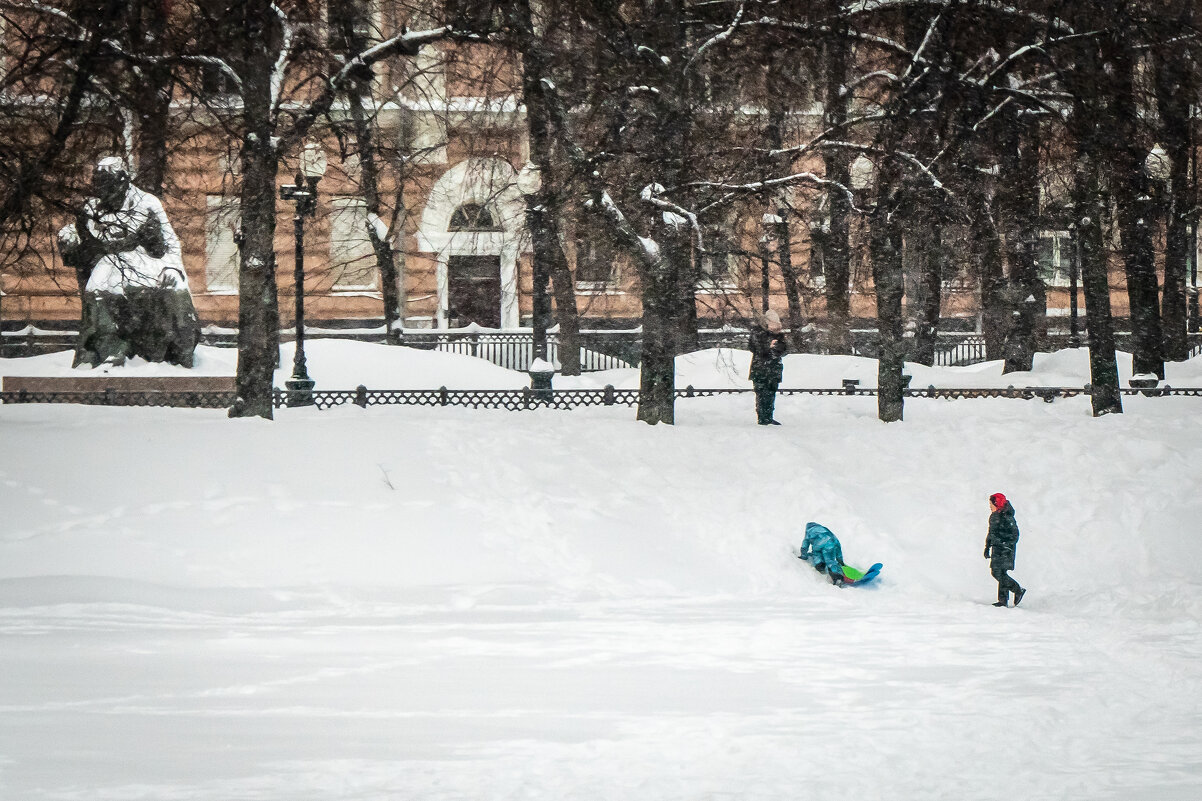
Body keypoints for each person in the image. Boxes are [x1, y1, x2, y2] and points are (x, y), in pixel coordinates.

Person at [58, 157, 199, 367]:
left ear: (123, 181)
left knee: (174, 294)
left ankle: (171, 355)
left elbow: (170, 243)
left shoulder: (147, 203)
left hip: (150, 264)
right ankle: (110, 352)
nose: (104, 190)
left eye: (109, 184)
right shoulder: (90, 209)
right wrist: (69, 239)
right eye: (100, 184)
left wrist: (171, 268)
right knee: (99, 291)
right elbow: (82, 248)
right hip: (110, 266)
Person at [984, 492, 1026, 607]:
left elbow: (1015, 535)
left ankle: (1017, 590)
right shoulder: (994, 516)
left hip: (1006, 549)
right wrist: (987, 547)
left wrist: (1005, 544)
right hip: (997, 548)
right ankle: (1002, 600)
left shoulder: (1007, 516)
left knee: (998, 573)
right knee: (1000, 572)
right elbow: (991, 533)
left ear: (997, 503)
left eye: (991, 504)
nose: (989, 506)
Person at [748, 309, 787, 425]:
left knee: (771, 393)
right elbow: (756, 349)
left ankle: (769, 416)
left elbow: (784, 350)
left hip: (773, 369)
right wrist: (768, 347)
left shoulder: (778, 335)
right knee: (762, 393)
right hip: (761, 369)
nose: (775, 328)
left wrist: (777, 348)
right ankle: (762, 418)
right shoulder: (758, 333)